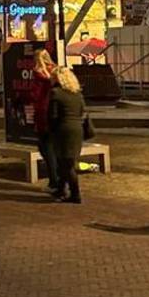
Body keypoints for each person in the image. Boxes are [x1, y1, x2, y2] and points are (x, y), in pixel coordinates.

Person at [47, 66, 87, 204]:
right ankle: (61, 189)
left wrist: (50, 130)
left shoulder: (55, 93)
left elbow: (53, 116)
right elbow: (83, 112)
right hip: (77, 130)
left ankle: (75, 194)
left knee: (65, 164)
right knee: (68, 161)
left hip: (63, 130)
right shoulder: (77, 94)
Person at [32, 49, 60, 195]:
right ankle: (58, 179)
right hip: (54, 110)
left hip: (43, 112)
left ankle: (54, 180)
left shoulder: (37, 73)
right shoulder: (55, 71)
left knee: (45, 148)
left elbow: (36, 94)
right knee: (53, 147)